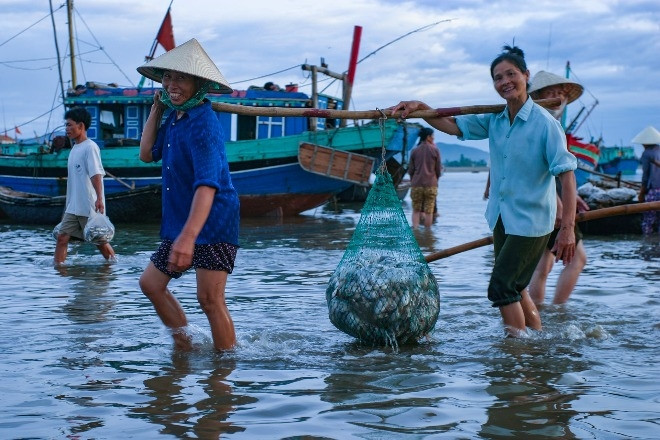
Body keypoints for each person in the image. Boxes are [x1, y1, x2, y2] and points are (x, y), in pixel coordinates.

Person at [390, 45, 578, 337]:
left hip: (532, 222)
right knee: (516, 287)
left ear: (526, 76)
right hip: (502, 217)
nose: (505, 81)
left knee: (500, 287)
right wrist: (420, 106)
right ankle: (536, 345)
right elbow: (451, 126)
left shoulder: (546, 125)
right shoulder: (495, 119)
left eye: (511, 74)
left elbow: (567, 178)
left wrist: (567, 229)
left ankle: (514, 351)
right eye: (498, 77)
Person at [137, 38, 241, 351]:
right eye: (167, 77)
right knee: (151, 285)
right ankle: (186, 345)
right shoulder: (175, 118)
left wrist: (187, 239)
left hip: (211, 222)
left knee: (209, 300)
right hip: (182, 221)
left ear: (198, 84)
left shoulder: (203, 122)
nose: (172, 84)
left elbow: (208, 184)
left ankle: (224, 373)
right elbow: (145, 154)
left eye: (180, 77)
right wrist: (158, 107)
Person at [525, 70, 590, 305]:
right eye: (552, 93)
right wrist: (560, 206)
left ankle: (541, 316)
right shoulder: (544, 123)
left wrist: (572, 196)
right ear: (539, 97)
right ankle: (558, 311)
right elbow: (537, 169)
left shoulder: (545, 122)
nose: (558, 98)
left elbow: (558, 172)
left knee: (544, 264)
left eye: (561, 94)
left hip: (547, 203)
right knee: (577, 259)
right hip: (550, 205)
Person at [54, 106, 116, 265]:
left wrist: (100, 199)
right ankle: (59, 271)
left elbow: (96, 174)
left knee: (99, 241)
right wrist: (67, 205)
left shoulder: (90, 147)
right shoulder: (75, 148)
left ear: (81, 126)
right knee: (62, 238)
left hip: (88, 204)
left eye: (69, 125)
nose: (67, 128)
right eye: (66, 125)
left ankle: (112, 267)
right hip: (73, 206)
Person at [408, 127, 442, 229]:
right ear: (428, 137)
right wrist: (436, 180)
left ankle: (416, 232)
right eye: (432, 136)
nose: (433, 138)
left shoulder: (414, 151)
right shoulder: (435, 150)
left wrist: (413, 180)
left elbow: (411, 170)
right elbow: (438, 170)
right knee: (429, 211)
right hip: (431, 184)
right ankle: (428, 234)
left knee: (416, 210)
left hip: (416, 184)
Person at [632, 125, 660, 234]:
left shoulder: (647, 154)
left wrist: (641, 194)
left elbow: (645, 176)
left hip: (654, 190)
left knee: (648, 220)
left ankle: (647, 244)